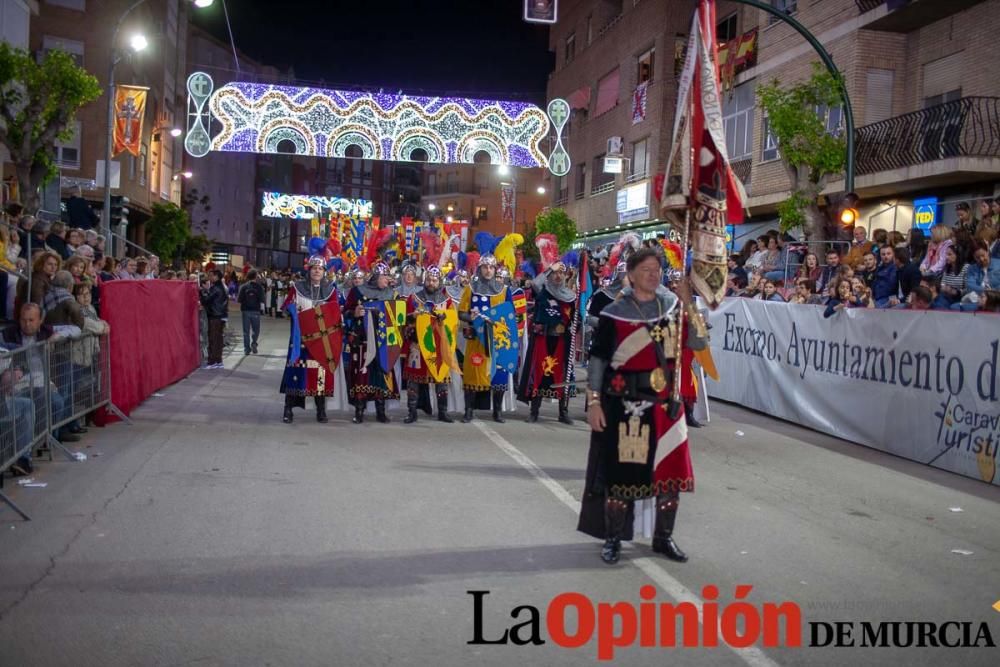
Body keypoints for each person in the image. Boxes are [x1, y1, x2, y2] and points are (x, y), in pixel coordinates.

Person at [577, 248, 704, 565]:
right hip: (627, 406)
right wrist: (594, 402)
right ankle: (613, 539)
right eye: (646, 269)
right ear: (630, 275)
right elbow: (598, 361)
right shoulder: (613, 313)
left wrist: (689, 302)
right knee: (622, 478)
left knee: (669, 475)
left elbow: (699, 344)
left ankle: (663, 538)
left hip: (666, 406)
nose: (653, 274)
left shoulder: (673, 308)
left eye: (657, 269)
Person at [459, 234, 518, 424]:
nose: (488, 270)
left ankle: (498, 411)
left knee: (498, 376)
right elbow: (461, 312)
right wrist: (471, 318)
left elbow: (510, 313)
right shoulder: (471, 288)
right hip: (476, 338)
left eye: (492, 267)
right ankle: (468, 410)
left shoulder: (503, 289)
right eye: (485, 266)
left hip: (497, 340)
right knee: (473, 374)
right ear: (480, 268)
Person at [517, 242, 578, 425]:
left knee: (561, 376)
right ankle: (534, 412)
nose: (558, 276)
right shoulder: (543, 292)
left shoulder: (571, 297)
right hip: (543, 339)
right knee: (540, 374)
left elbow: (576, 319)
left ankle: (563, 411)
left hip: (561, 342)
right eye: (555, 273)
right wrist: (550, 268)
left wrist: (575, 326)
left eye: (561, 272)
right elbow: (535, 283)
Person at [343, 243, 400, 424]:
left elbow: (399, 317)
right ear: (376, 276)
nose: (387, 280)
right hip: (363, 340)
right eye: (385, 276)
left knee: (382, 374)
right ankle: (359, 411)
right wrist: (354, 313)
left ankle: (380, 411)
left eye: (388, 277)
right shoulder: (357, 291)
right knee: (362, 374)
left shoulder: (393, 293)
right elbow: (346, 311)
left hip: (384, 341)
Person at [280, 257, 340, 424]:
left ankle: (321, 410)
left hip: (321, 340)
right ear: (309, 270)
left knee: (320, 374)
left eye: (320, 269)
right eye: (314, 268)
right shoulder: (297, 288)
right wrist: (291, 308)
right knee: (295, 372)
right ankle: (288, 409)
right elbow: (285, 307)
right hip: (301, 339)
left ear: (324, 272)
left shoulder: (330, 290)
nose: (316, 271)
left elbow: (335, 312)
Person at [402, 266, 456, 424]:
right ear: (424, 280)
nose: (431, 282)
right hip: (418, 345)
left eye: (435, 280)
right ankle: (412, 412)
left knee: (441, 381)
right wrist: (414, 316)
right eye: (429, 279)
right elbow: (404, 319)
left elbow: (453, 323)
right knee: (414, 380)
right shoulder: (414, 298)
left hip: (439, 346)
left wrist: (444, 318)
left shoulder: (447, 301)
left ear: (439, 282)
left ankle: (443, 412)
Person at [200, 269, 228, 369]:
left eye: (211, 275)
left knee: (213, 339)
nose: (209, 277)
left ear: (216, 276)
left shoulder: (216, 288)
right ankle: (218, 360)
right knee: (218, 339)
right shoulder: (221, 286)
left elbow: (206, 300)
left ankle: (212, 361)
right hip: (220, 315)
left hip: (215, 316)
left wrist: (202, 292)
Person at [237, 269, 265, 355]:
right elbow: (262, 299)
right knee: (256, 330)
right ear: (255, 277)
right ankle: (254, 343)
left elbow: (239, 299)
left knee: (246, 331)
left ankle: (246, 349)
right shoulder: (259, 287)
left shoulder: (243, 287)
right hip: (255, 310)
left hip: (245, 310)